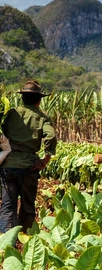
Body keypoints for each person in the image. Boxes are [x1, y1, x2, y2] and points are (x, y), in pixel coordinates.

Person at [0, 80, 57, 233]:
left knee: (8, 206)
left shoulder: (11, 114)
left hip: (8, 166)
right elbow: (50, 136)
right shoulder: (42, 117)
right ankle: (25, 241)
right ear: (39, 100)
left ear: (22, 98)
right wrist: (46, 159)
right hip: (29, 168)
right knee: (27, 206)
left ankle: (6, 244)